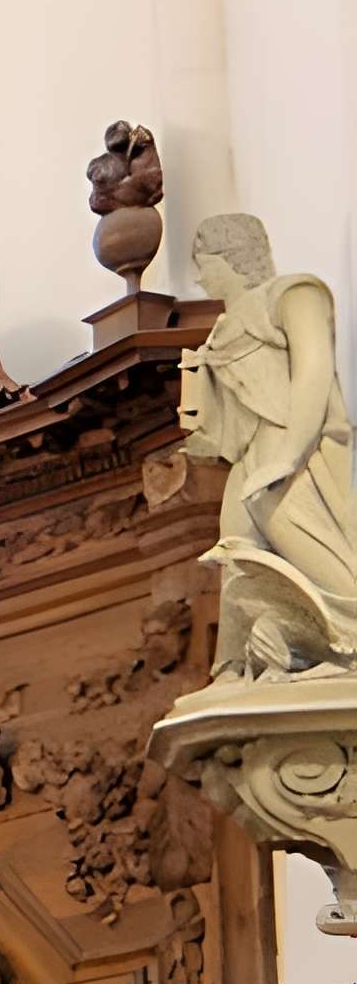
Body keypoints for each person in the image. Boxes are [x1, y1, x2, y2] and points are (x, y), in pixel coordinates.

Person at [181, 212, 357, 675]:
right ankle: (232, 669)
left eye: (204, 263)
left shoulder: (295, 294)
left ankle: (349, 643)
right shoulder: (221, 330)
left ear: (231, 256)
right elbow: (228, 420)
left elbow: (314, 373)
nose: (200, 278)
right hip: (250, 455)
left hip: (293, 448)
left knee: (321, 560)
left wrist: (288, 456)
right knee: (237, 558)